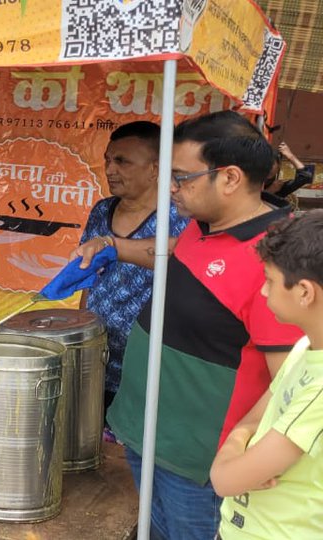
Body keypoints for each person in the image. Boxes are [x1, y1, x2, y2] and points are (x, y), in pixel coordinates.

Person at [83, 111, 303, 540]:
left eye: (181, 178)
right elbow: (172, 253)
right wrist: (113, 246)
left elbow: (293, 381)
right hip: (147, 432)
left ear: (231, 178)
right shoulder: (204, 228)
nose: (170, 188)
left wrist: (257, 454)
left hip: (199, 460)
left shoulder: (279, 257)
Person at [211, 211, 323, 539]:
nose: (262, 292)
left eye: (270, 280)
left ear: (305, 292)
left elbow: (224, 480)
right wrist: (239, 440)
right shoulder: (305, 348)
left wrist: (233, 450)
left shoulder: (318, 393)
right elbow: (249, 422)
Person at [74, 121, 189, 413]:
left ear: (156, 168)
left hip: (149, 364)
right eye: (108, 160)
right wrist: (82, 335)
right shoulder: (102, 210)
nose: (110, 169)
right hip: (98, 358)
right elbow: (89, 275)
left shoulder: (181, 217)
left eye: (122, 161)